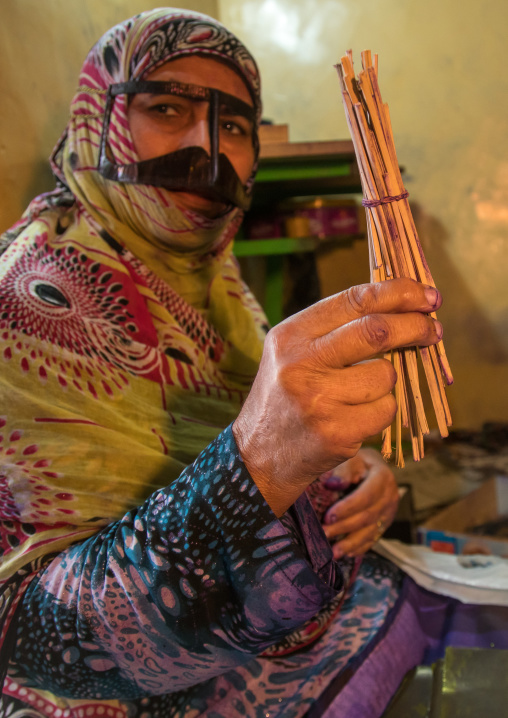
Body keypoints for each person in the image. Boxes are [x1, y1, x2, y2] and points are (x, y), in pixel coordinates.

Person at [0, 8, 448, 717]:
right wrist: (259, 469)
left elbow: (267, 439)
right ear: (97, 117)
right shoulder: (28, 300)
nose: (207, 150)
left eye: (234, 126)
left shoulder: (218, 289)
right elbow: (30, 641)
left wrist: (356, 478)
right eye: (166, 107)